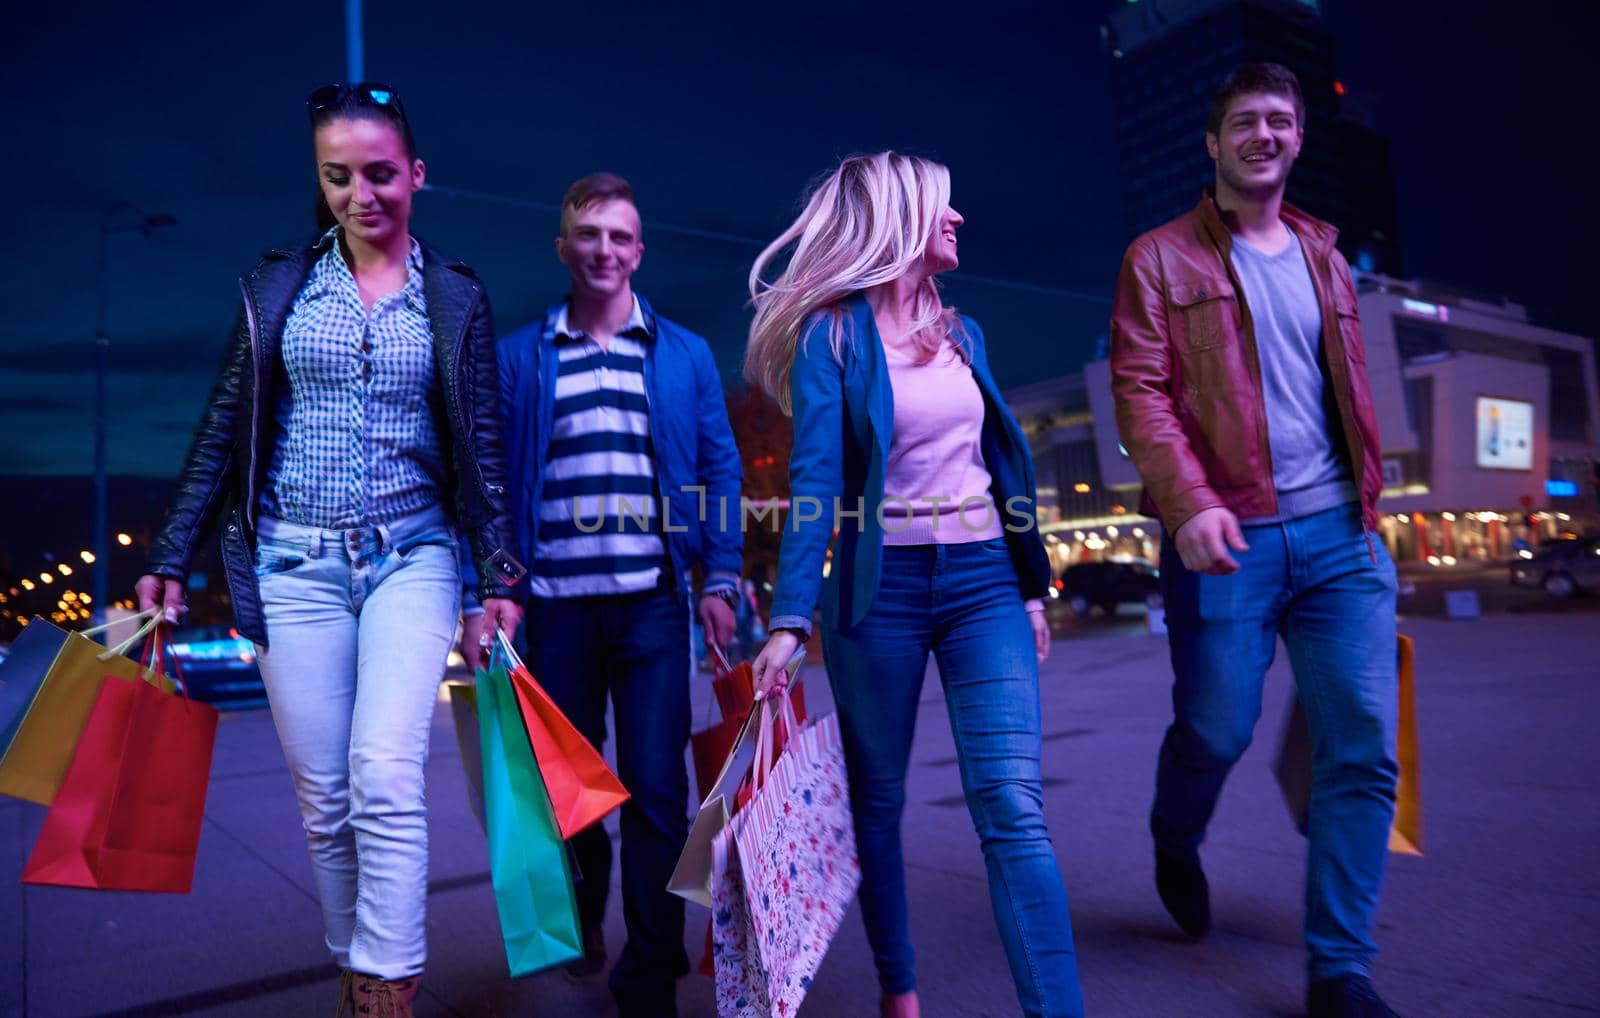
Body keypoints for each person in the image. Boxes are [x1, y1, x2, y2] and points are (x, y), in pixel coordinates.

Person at [137, 82, 523, 1018]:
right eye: (339, 176)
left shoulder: (456, 294)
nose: (363, 194)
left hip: (413, 556)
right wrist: (171, 553)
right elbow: (226, 425)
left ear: (417, 175)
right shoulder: (278, 285)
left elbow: (481, 439)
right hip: (290, 565)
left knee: (384, 773)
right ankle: (357, 968)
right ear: (322, 181)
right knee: (326, 799)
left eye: (381, 174)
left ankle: (388, 984)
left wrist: (498, 573)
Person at [747, 152, 1084, 1018]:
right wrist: (788, 621)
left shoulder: (962, 333)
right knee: (881, 803)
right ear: (901, 220)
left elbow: (1001, 461)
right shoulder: (833, 337)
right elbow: (816, 480)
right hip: (878, 592)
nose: (960, 219)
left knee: (1013, 805)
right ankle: (901, 992)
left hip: (983, 588)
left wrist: (1032, 586)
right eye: (945, 205)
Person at [1109, 63, 1400, 1018]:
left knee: (1360, 742)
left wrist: (1369, 494)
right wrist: (1187, 504)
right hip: (1227, 535)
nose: (1263, 134)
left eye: (1280, 120)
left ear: (1299, 138)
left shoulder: (1326, 251)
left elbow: (1341, 391)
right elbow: (1142, 391)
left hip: (1341, 538)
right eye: (1244, 121)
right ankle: (1174, 837)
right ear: (1213, 142)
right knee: (1218, 727)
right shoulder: (1159, 257)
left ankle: (1338, 973)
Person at [460, 172, 742, 1017]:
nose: (605, 251)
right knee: (567, 793)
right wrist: (497, 586)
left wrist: (719, 575)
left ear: (638, 251)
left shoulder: (684, 353)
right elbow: (494, 487)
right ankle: (581, 920)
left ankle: (647, 977)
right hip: (557, 611)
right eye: (589, 234)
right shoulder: (519, 356)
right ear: (563, 247)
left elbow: (720, 466)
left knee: (658, 791)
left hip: (655, 603)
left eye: (620, 237)